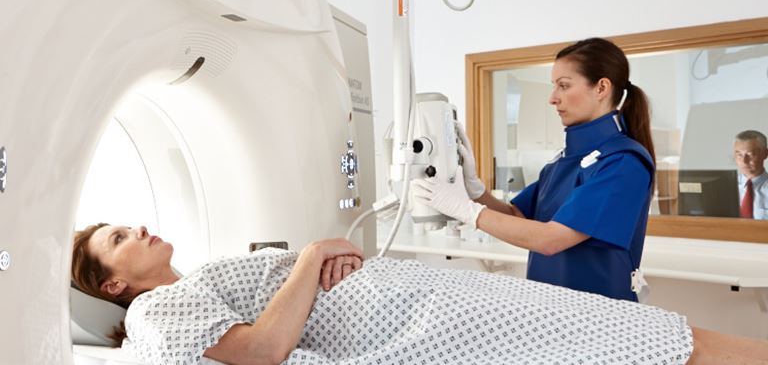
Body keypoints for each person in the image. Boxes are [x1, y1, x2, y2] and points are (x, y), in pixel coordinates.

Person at [71, 223, 768, 364]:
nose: (136, 226)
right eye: (115, 236)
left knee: (641, 336)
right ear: (115, 283)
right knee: (640, 342)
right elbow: (260, 350)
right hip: (422, 323)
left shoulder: (195, 283)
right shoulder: (153, 313)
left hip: (418, 299)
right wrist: (312, 257)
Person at [413, 37, 656, 302]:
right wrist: (475, 189)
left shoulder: (623, 162)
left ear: (601, 88)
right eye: (554, 86)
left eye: (564, 86)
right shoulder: (562, 161)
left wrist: (466, 211)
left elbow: (550, 240)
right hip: (548, 308)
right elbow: (517, 215)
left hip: (596, 316)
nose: (553, 98)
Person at [734, 130, 768, 219]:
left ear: (765, 153)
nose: (744, 161)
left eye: (750, 154)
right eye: (739, 155)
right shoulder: (724, 188)